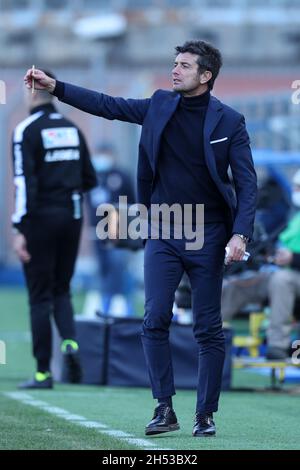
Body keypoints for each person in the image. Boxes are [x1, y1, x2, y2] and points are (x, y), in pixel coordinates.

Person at [24, 40, 257, 436]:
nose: (175, 70)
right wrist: (56, 86)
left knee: (207, 327)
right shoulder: (158, 105)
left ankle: (206, 415)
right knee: (154, 319)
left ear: (206, 76)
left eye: (185, 65)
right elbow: (107, 105)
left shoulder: (229, 122)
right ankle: (164, 407)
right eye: (175, 63)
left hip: (210, 232)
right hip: (163, 228)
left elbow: (247, 185)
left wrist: (240, 234)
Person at [12, 70, 97, 389]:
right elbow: (90, 178)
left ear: (31, 92)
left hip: (40, 219)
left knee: (39, 296)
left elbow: (24, 183)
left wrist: (20, 228)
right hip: (72, 216)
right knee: (62, 288)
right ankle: (70, 343)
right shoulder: (72, 129)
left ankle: (43, 373)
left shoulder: (26, 130)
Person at [221, 169, 300, 360]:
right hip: (281, 273)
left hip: (290, 277)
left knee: (281, 281)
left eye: (298, 187)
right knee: (235, 285)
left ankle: (277, 346)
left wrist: (293, 259)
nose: (295, 191)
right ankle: (205, 336)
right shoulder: (294, 217)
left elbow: (292, 257)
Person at [88, 143, 136, 316]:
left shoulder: (122, 176)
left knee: (119, 269)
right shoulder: (92, 177)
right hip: (97, 232)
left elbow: (132, 203)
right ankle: (104, 307)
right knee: (104, 270)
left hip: (119, 233)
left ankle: (125, 307)